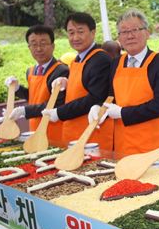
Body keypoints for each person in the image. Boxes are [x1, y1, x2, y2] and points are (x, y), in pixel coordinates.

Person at [88, 9, 159, 160]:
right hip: (124, 144)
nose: (129, 35)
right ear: (119, 38)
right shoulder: (116, 63)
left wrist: (122, 113)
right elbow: (111, 97)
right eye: (124, 31)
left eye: (135, 29)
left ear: (147, 33)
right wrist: (99, 108)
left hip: (154, 145)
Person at [42, 12, 113, 151]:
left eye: (80, 32)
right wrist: (66, 81)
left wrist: (59, 113)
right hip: (74, 132)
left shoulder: (100, 59)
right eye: (71, 32)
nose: (75, 37)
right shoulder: (77, 59)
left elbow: (95, 98)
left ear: (93, 32)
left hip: (92, 135)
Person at [4, 25, 69, 143]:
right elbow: (34, 96)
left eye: (43, 44)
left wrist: (24, 111)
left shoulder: (61, 70)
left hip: (54, 130)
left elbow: (56, 103)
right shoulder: (31, 70)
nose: (38, 49)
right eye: (34, 44)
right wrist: (17, 88)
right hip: (34, 127)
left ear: (53, 46)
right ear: (29, 47)